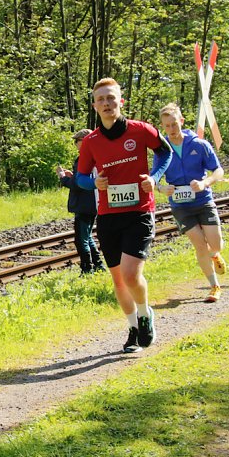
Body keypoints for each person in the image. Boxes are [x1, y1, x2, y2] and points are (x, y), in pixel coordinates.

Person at [75, 78, 172, 353]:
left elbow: (164, 153)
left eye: (111, 98)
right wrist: (94, 183)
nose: (106, 103)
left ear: (121, 101)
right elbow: (81, 178)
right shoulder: (91, 142)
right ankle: (133, 329)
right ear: (95, 106)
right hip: (108, 216)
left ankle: (144, 314)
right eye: (101, 100)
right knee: (118, 280)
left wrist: (154, 177)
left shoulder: (140, 130)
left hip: (139, 211)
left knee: (131, 274)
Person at [155, 102, 227, 302]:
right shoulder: (162, 150)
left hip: (203, 200)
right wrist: (161, 188)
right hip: (180, 206)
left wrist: (205, 183)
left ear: (181, 121)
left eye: (174, 124)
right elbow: (154, 178)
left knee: (215, 244)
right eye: (167, 126)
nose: (171, 129)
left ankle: (215, 254)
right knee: (200, 245)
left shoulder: (199, 145)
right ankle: (214, 286)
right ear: (162, 127)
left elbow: (218, 170)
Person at [57, 129, 105, 275]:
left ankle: (87, 269)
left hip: (84, 204)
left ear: (84, 141)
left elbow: (78, 184)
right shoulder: (97, 156)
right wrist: (72, 176)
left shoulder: (84, 158)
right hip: (93, 203)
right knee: (87, 236)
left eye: (76, 141)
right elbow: (84, 179)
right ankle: (98, 265)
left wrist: (63, 178)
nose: (75, 144)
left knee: (80, 240)